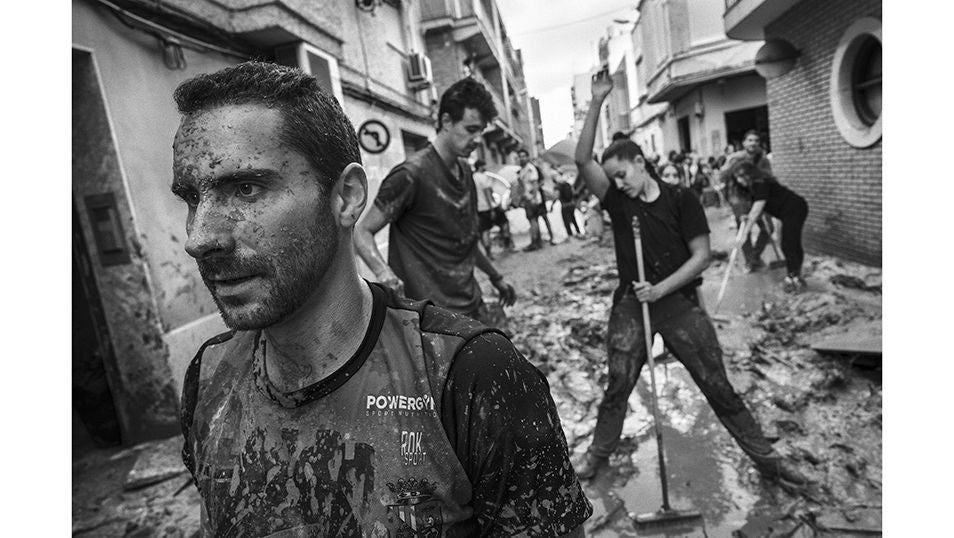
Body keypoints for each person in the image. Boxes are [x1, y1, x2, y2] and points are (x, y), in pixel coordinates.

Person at [172, 62, 591, 537]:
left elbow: (468, 238)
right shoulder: (209, 379)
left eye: (246, 188)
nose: (200, 236)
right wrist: (392, 280)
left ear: (346, 196)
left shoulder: (478, 376)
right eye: (190, 198)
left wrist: (492, 278)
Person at [572, 67, 809, 486]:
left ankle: (768, 461)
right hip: (632, 305)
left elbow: (701, 256)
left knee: (718, 385)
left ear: (641, 163)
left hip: (679, 303)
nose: (618, 184)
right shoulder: (617, 203)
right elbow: (581, 159)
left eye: (623, 174)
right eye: (612, 180)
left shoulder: (682, 200)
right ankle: (597, 455)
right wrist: (596, 101)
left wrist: (661, 287)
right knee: (618, 385)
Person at [354, 77, 516, 330]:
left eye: (481, 131)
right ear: (447, 121)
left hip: (469, 305)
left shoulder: (465, 172)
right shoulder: (411, 174)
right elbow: (362, 232)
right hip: (428, 319)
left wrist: (496, 277)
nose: (477, 139)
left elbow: (467, 242)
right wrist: (383, 272)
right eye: (471, 129)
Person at [731, 161, 810, 292]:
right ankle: (796, 272)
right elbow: (756, 208)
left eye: (741, 177)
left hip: (795, 209)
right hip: (787, 212)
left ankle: (794, 275)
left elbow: (757, 210)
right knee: (790, 243)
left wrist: (745, 233)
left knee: (789, 243)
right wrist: (747, 217)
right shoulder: (752, 188)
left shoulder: (760, 184)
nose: (739, 181)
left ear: (749, 175)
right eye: (737, 178)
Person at [473, 159, 513, 258]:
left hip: (479, 208)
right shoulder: (483, 177)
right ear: (481, 167)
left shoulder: (472, 178)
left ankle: (488, 253)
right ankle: (508, 246)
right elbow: (488, 193)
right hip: (489, 207)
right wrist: (492, 208)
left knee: (484, 230)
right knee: (504, 223)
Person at [515, 148, 552, 250]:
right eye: (520, 156)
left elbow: (535, 184)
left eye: (523, 156)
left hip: (532, 198)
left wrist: (534, 198)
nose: (521, 158)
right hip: (528, 198)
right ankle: (536, 241)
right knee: (533, 220)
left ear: (527, 157)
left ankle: (536, 242)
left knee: (534, 220)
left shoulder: (530, 169)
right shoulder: (522, 170)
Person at [555, 171, 582, 238]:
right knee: (573, 219)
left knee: (566, 221)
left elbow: (556, 196)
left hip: (564, 205)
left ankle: (570, 235)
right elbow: (574, 193)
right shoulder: (568, 184)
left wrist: (552, 205)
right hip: (571, 204)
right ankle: (578, 232)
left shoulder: (558, 186)